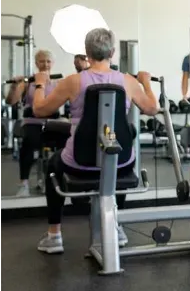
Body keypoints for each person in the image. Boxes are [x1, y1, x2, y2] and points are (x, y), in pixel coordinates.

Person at [30, 28, 159, 254]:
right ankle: (115, 226)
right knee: (117, 160)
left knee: (52, 164)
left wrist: (40, 83)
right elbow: (152, 109)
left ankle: (54, 235)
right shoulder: (128, 82)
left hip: (79, 164)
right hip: (121, 162)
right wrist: (146, 82)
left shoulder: (73, 81)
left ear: (87, 53)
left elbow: (39, 109)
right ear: (112, 52)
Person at [5, 50, 60, 197]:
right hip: (33, 121)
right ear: (36, 63)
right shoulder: (27, 83)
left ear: (52, 63)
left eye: (48, 61)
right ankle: (24, 184)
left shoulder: (58, 82)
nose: (45, 64)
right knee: (29, 142)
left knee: (70, 141)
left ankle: (63, 180)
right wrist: (14, 86)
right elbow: (11, 101)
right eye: (42, 61)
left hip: (53, 122)